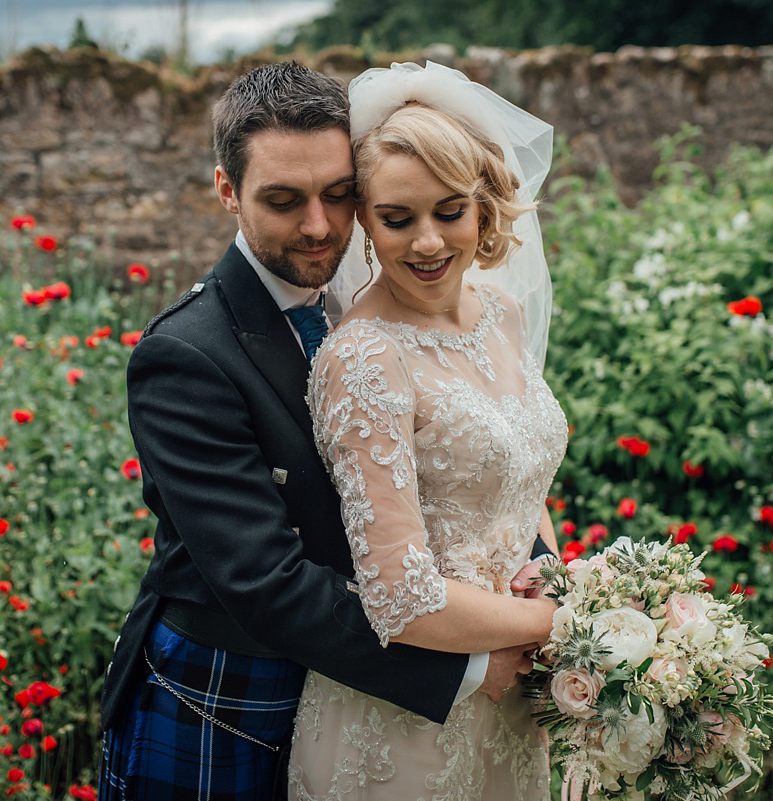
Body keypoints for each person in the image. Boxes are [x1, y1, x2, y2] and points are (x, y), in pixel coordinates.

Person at [97, 61, 555, 801]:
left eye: (339, 195)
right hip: (224, 695)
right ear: (227, 190)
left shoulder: (385, 295)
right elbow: (265, 581)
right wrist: (480, 659)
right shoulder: (186, 355)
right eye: (283, 200)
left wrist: (542, 575)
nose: (319, 225)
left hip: (381, 682)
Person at [287, 62, 569, 800]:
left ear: (483, 208)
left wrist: (562, 574)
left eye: (449, 211)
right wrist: (563, 620)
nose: (427, 242)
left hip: (514, 695)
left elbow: (518, 481)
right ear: (365, 224)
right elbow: (400, 594)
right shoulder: (364, 357)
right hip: (407, 720)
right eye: (397, 217)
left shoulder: (500, 314)